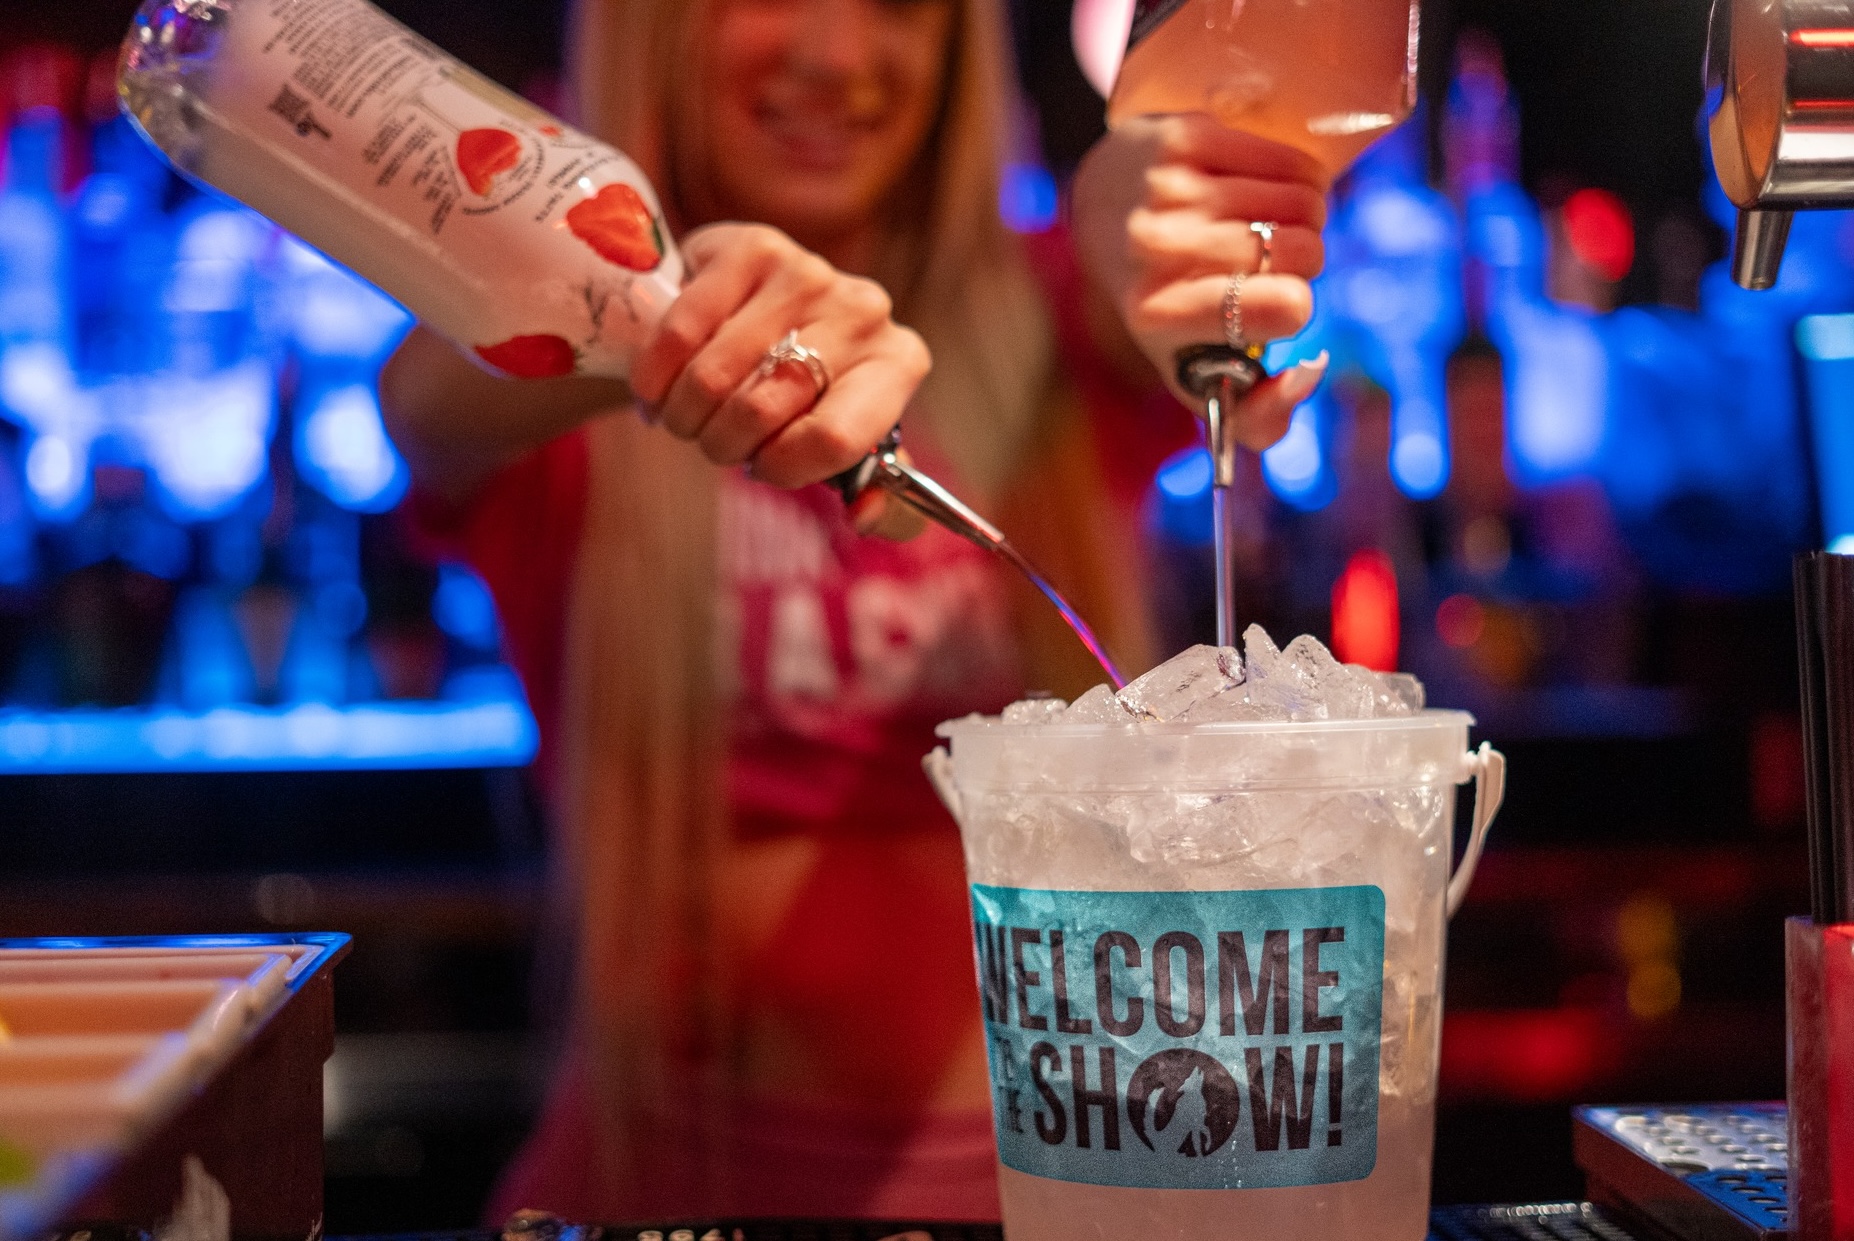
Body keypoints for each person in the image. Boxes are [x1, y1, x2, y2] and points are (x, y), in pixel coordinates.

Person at [380, 0, 1331, 1220]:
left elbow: (1139, 250)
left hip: (1074, 1190)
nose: (835, 54)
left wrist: (1152, 200)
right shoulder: (569, 400)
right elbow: (423, 401)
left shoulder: (1048, 328)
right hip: (660, 1190)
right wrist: (644, 310)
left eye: (898, 3)